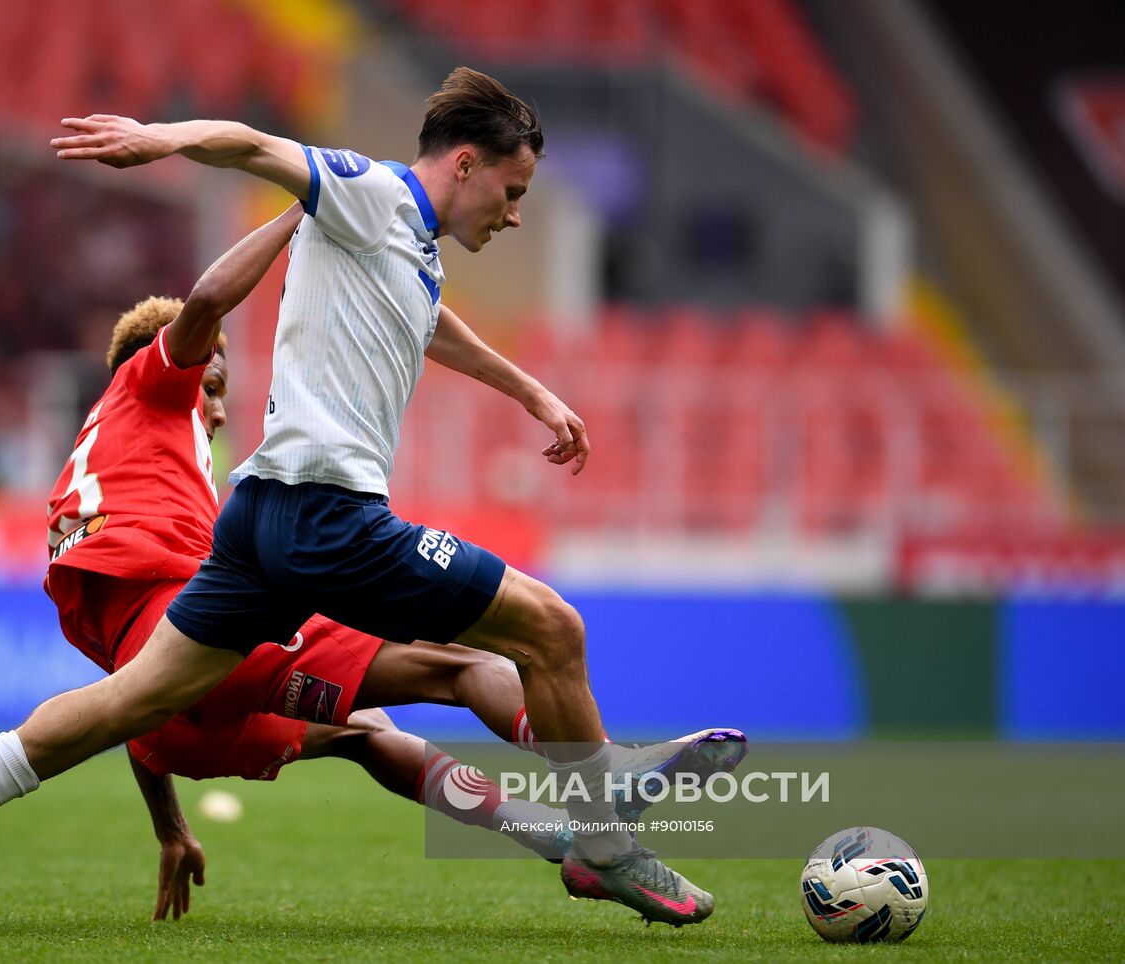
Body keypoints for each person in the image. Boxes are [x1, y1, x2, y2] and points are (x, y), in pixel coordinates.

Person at [0, 67, 730, 930]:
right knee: (552, 629)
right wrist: (157, 139)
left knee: (130, 702)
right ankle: (603, 837)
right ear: (465, 163)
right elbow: (253, 145)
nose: (515, 212)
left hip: (255, 523)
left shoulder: (407, 249)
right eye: (512, 188)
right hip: (328, 517)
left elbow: (430, 323)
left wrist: (532, 394)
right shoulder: (366, 191)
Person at [37, 208, 746, 919]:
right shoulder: (160, 397)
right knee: (461, 665)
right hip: (214, 676)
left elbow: (136, 685)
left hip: (175, 724)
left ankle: (567, 834)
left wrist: (171, 827)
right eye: (212, 388)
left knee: (367, 733)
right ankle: (600, 796)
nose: (219, 410)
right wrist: (307, 194)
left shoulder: (116, 471)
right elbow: (208, 301)